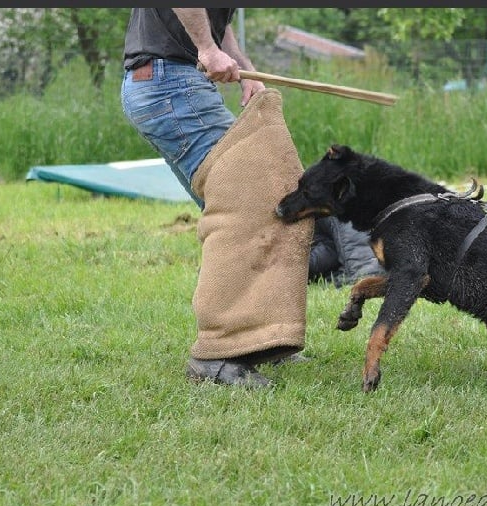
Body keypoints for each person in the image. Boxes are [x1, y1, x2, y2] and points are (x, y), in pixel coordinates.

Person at [121, 8, 381, 388]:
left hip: (169, 83)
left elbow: (217, 22)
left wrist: (244, 68)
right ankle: (218, 355)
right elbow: (204, 32)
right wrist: (207, 50)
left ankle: (261, 339)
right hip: (169, 83)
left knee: (265, 202)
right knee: (255, 204)